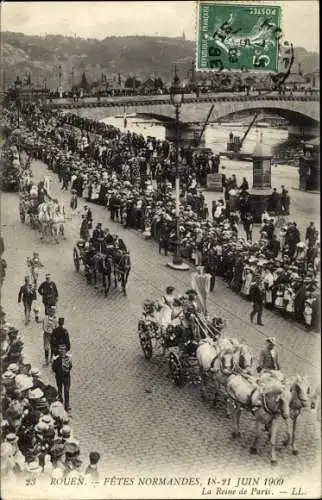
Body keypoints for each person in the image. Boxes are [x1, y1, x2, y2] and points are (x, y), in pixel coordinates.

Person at [52, 346, 72, 412]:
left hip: (66, 377)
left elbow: (70, 366)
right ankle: (60, 402)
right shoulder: (56, 359)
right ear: (59, 352)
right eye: (61, 351)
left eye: (64, 350)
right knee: (60, 389)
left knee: (66, 390)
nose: (63, 352)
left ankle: (67, 405)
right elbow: (54, 368)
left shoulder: (68, 358)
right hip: (59, 377)